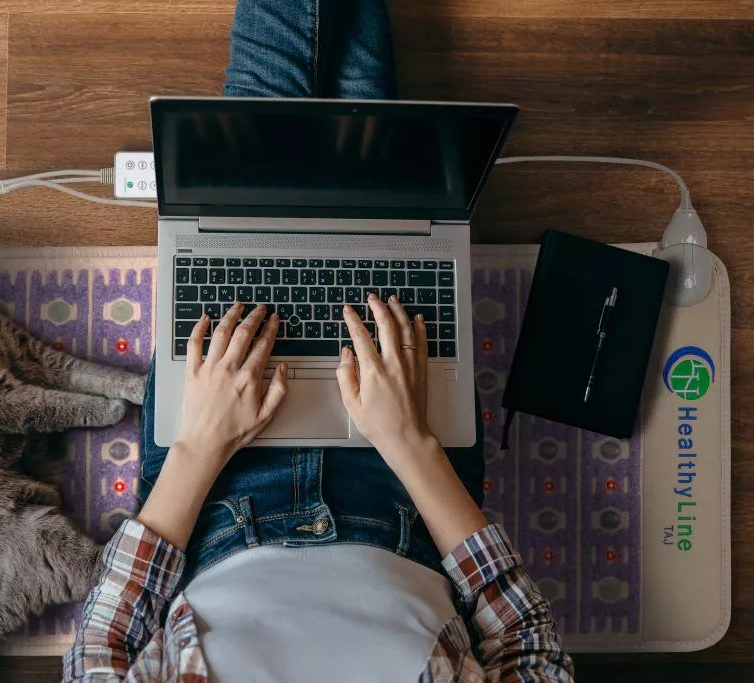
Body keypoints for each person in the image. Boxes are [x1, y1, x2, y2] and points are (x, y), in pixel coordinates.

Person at [64, 0, 574, 680]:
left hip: (212, 486)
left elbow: (100, 646)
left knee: (251, 155)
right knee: (379, 171)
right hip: (409, 492)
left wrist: (198, 443)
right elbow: (528, 642)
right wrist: (411, 442)